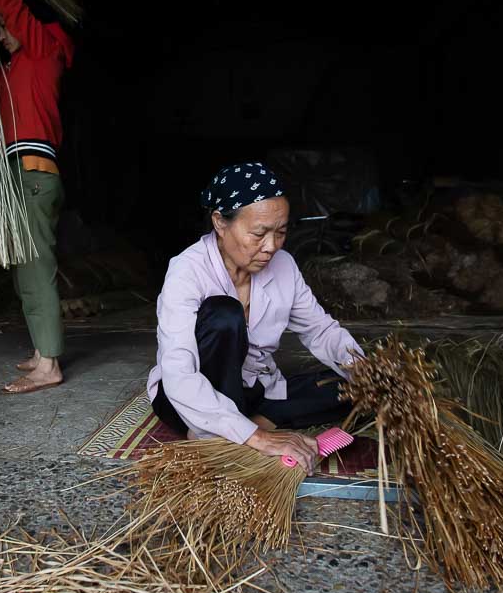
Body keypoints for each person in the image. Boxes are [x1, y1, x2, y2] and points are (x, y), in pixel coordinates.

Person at [147, 162, 364, 472]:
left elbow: (320, 330)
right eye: (259, 233)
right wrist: (259, 439)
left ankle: (242, 424)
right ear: (220, 223)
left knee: (350, 391)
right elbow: (179, 374)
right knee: (224, 314)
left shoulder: (284, 265)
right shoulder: (187, 271)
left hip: (252, 388)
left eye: (281, 232)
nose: (271, 247)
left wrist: (363, 370)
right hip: (193, 392)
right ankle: (230, 428)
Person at [0, 0, 75, 394]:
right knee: (24, 268)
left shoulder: (43, 51)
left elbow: (12, 7)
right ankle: (40, 351)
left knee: (37, 268)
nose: (2, 33)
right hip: (20, 176)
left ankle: (50, 364)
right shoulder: (15, 68)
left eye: (4, 26)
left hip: (35, 176)